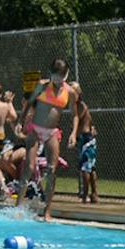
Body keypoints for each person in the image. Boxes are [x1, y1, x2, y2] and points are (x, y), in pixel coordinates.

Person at [24, 59, 80, 219]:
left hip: (52, 132)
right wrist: (21, 122)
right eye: (56, 76)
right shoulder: (42, 85)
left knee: (52, 170)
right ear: (50, 74)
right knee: (29, 167)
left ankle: (47, 212)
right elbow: (29, 104)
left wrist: (73, 133)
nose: (58, 79)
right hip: (35, 129)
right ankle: (18, 207)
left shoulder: (70, 92)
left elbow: (75, 115)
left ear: (67, 75)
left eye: (61, 76)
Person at [70, 95, 98, 205]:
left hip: (86, 138)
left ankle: (86, 195)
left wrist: (73, 134)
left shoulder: (80, 105)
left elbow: (77, 120)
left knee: (86, 168)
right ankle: (93, 194)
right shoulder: (77, 105)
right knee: (89, 168)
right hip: (85, 137)